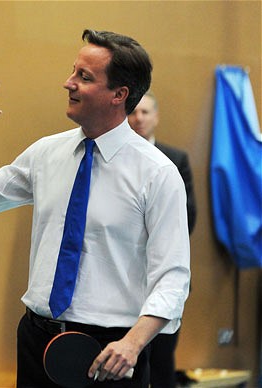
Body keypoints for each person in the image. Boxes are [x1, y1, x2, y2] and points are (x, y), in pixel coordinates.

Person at [0, 29, 190, 387]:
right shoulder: (46, 153)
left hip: (113, 352)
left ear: (119, 95)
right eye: (73, 71)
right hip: (36, 341)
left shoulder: (157, 173)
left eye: (84, 77)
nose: (68, 83)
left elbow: (173, 277)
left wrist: (133, 344)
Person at [128, 91, 197, 388]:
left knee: (160, 362)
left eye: (145, 112)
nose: (139, 118)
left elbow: (187, 217)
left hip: (162, 274)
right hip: (124, 277)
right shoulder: (117, 157)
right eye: (135, 112)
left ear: (156, 117)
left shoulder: (175, 159)